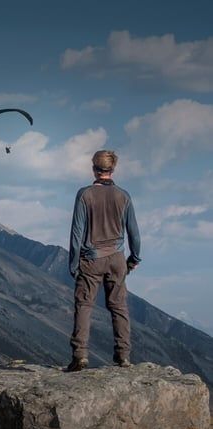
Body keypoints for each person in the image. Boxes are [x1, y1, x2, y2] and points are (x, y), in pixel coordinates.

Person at [67, 150, 141, 371]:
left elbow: (76, 234)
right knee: (119, 306)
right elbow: (134, 234)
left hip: (91, 259)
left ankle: (80, 356)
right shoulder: (123, 196)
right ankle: (123, 356)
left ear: (94, 169)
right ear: (113, 169)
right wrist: (134, 259)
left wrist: (73, 264)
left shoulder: (84, 195)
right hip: (117, 258)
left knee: (84, 305)